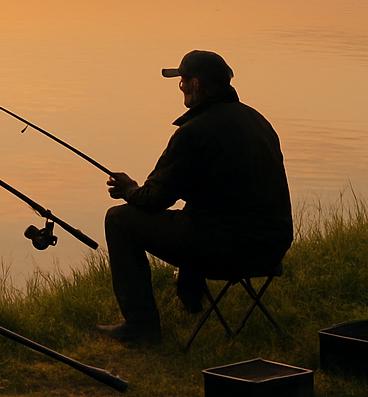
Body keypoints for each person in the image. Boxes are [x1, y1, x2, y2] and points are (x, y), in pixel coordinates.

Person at [96, 50, 293, 343]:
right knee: (203, 208)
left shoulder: (194, 132)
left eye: (183, 82)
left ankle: (141, 326)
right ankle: (191, 291)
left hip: (229, 251)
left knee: (119, 220)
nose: (182, 89)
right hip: (271, 249)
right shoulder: (257, 121)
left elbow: (155, 199)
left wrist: (129, 190)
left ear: (198, 85)